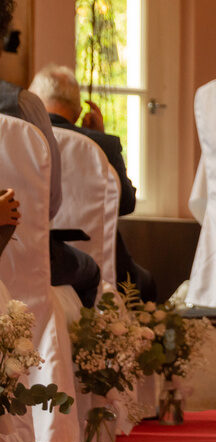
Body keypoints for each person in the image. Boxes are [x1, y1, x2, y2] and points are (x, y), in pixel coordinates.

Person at [0, 0, 99, 307]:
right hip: (24, 261)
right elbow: (49, 203)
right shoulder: (25, 106)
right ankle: (79, 352)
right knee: (90, 271)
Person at [29, 64, 157, 302]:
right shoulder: (102, 143)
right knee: (146, 282)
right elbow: (126, 204)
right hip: (104, 267)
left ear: (34, 103)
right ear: (78, 112)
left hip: (32, 258)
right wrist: (101, 135)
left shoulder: (23, 138)